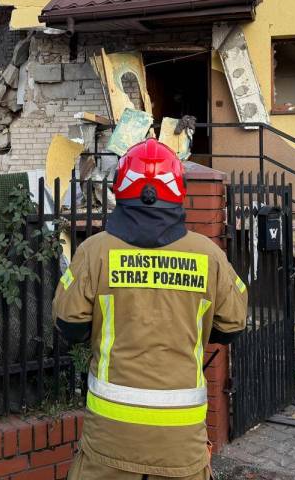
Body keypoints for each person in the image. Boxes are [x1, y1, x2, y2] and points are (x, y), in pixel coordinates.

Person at [53, 139, 249, 480]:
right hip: (181, 445)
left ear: (120, 188)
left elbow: (69, 324)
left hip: (110, 441)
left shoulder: (94, 252)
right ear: (179, 191)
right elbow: (231, 326)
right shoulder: (209, 255)